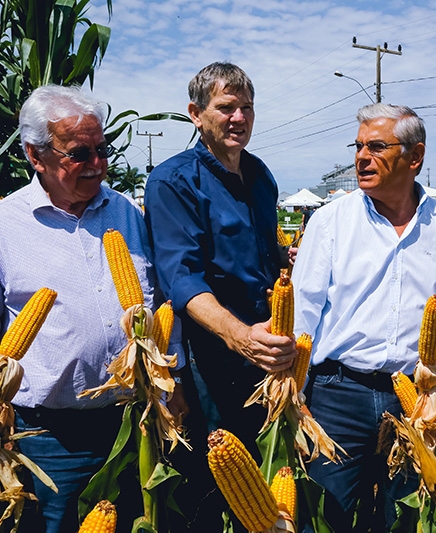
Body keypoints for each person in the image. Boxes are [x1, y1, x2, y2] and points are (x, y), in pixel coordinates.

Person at [0, 85, 186, 532]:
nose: (98, 164)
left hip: (135, 420)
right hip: (50, 438)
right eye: (79, 153)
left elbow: (158, 303)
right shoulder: (7, 224)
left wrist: (172, 379)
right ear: (35, 155)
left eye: (102, 149)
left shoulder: (126, 212)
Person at [292, 103, 436, 531]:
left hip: (414, 398)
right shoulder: (330, 221)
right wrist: (296, 395)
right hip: (338, 395)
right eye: (358, 146)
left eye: (376, 146)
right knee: (326, 518)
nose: (361, 157)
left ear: (415, 157)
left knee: (405, 517)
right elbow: (304, 310)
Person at [144, 63, 296, 529]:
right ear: (195, 114)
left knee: (273, 481)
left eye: (247, 108)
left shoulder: (260, 175)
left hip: (268, 355)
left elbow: (268, 259)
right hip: (210, 360)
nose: (239, 118)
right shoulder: (173, 181)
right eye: (225, 107)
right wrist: (239, 335)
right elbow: (181, 278)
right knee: (216, 493)